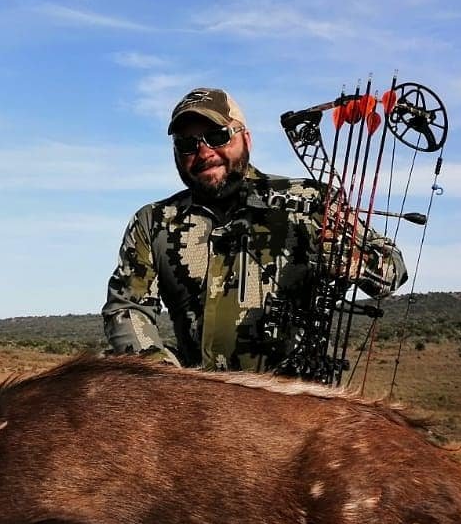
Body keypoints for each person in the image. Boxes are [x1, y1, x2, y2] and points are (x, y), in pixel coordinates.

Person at [102, 87, 407, 371]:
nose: (205, 151)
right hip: (194, 402)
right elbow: (127, 308)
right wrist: (164, 379)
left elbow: (393, 268)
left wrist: (356, 262)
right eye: (187, 144)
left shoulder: (312, 202)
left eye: (218, 136)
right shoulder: (153, 222)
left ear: (246, 139)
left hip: (291, 399)